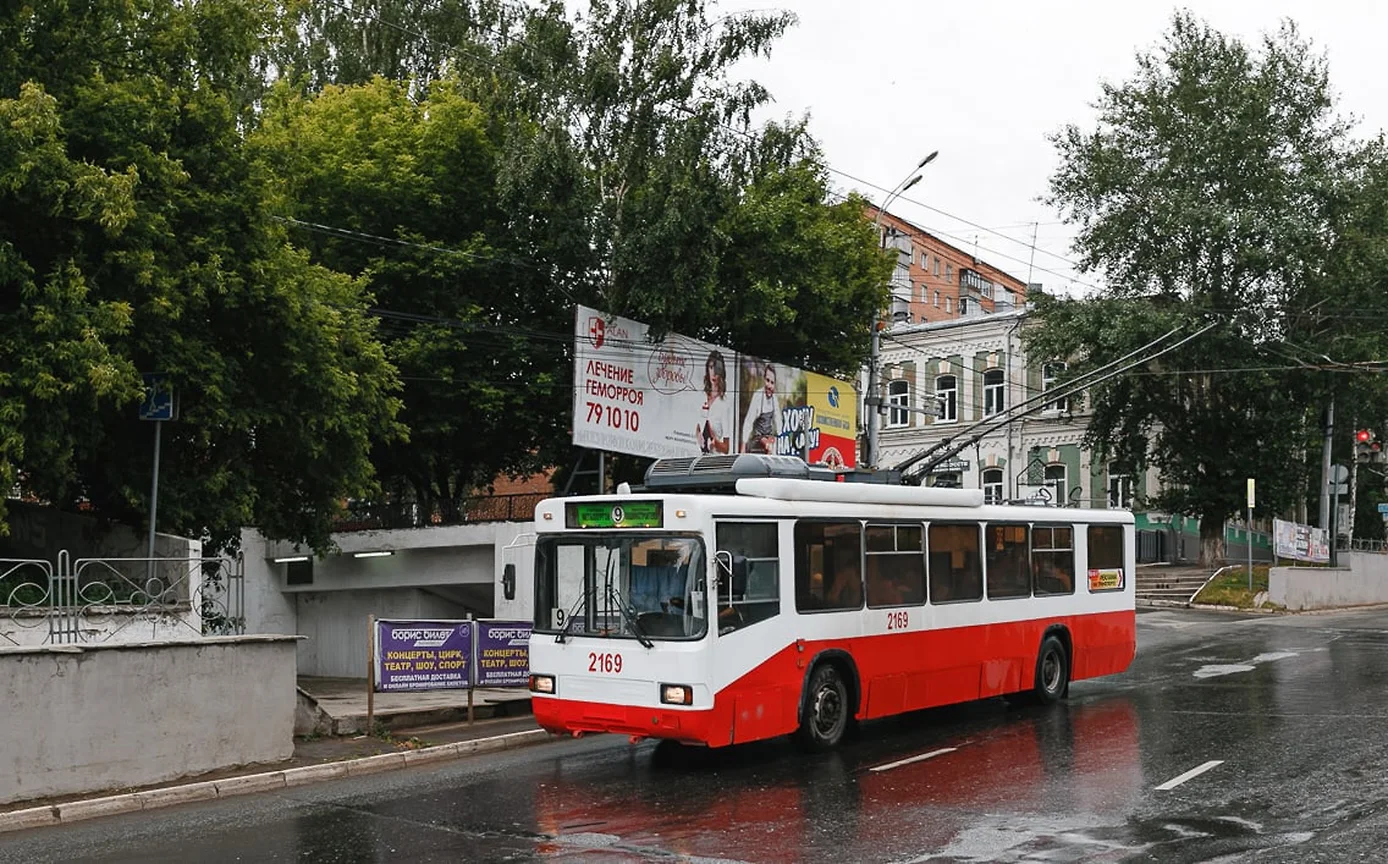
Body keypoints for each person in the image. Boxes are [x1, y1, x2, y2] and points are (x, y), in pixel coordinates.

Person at [741, 363, 783, 454]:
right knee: (769, 446)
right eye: (767, 381)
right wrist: (743, 445)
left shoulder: (774, 399)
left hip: (769, 438)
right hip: (757, 439)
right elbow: (749, 421)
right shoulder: (758, 396)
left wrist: (779, 437)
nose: (769, 385)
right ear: (764, 380)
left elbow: (778, 420)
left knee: (772, 447)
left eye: (772, 383)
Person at [696, 351, 731, 454]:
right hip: (695, 458)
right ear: (707, 369)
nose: (714, 373)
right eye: (711, 368)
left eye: (717, 369)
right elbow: (696, 427)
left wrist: (715, 443)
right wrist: (698, 435)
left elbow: (726, 449)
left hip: (712, 461)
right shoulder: (700, 397)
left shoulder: (724, 404)